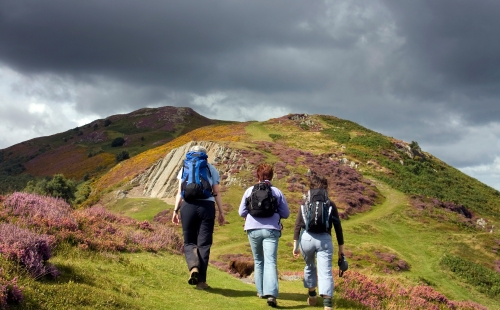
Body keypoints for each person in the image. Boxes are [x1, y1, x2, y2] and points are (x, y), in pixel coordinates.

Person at [172, 145, 225, 290]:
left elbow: (179, 192)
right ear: (205, 155)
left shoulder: (184, 168)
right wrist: (221, 212)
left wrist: (175, 210)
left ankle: (193, 268)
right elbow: (216, 192)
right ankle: (201, 281)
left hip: (187, 206)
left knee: (189, 242)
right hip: (206, 208)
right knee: (204, 244)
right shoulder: (210, 168)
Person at [238, 163, 290, 307]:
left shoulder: (249, 191)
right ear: (271, 176)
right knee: (270, 261)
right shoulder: (276, 192)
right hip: (271, 230)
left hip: (253, 229)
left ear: (258, 176)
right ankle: (271, 294)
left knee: (259, 260)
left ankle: (260, 292)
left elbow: (241, 212)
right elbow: (286, 213)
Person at [293, 173, 345, 310]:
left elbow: (298, 224)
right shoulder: (330, 204)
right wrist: (341, 249)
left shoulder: (305, 203)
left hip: (307, 239)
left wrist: (295, 245)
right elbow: (338, 228)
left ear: (311, 187)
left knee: (309, 266)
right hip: (324, 240)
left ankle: (312, 295)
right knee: (325, 271)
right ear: (325, 188)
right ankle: (327, 304)